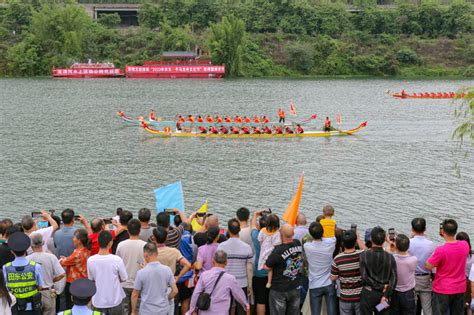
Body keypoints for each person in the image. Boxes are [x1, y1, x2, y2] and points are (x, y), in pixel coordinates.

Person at [425, 219, 469, 315]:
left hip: (442, 289)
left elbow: (428, 266)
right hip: (460, 287)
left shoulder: (441, 250)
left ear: (442, 232)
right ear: (455, 231)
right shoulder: (465, 245)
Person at [187, 250, 250, 315]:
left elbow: (196, 294)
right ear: (226, 262)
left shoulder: (204, 275)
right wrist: (246, 305)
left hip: (205, 312)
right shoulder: (230, 278)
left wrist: (192, 310)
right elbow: (239, 294)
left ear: (213, 261)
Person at [217, 219, 253, 315]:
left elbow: (218, 267)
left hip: (225, 283)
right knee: (242, 309)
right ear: (239, 230)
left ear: (228, 230)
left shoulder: (221, 247)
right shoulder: (247, 247)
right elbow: (249, 269)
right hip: (242, 283)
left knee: (226, 309)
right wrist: (250, 285)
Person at [265, 224, 303, 315]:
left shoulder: (278, 250)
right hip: (295, 285)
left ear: (280, 233)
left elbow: (267, 266)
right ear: (293, 233)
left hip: (279, 289)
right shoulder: (297, 243)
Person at [3, 232, 44, 315]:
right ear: (26, 250)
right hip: (33, 307)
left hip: (15, 308)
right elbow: (40, 286)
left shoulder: (6, 268)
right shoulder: (35, 266)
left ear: (12, 252)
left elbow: (6, 287)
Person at [152, 226, 191, 315]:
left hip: (154, 287)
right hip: (170, 287)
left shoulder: (151, 253)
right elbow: (188, 265)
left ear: (153, 238)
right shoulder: (174, 251)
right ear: (166, 238)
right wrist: (178, 277)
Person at [87, 230, 128, 314]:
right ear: (110, 243)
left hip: (98, 300)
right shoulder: (117, 260)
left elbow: (91, 279)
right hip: (115, 300)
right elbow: (124, 278)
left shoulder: (91, 260)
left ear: (98, 242)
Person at [131, 243, 178, 315]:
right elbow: (175, 291)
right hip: (163, 310)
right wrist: (166, 299)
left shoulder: (141, 273)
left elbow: (135, 295)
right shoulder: (167, 270)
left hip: (146, 310)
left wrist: (133, 311)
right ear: (157, 253)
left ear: (145, 255)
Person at [359, 226, 397, 314]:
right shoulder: (390, 257)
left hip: (368, 294)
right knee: (381, 311)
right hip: (383, 297)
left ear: (371, 239)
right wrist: (386, 295)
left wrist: (379, 286)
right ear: (384, 240)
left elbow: (364, 276)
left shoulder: (364, 255)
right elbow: (394, 279)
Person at [27, 234, 66, 315]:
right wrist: (52, 279)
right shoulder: (51, 257)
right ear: (43, 242)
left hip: (33, 292)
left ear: (31, 245)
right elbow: (62, 274)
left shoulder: (27, 259)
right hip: (48, 292)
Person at [304, 221, 337, 315]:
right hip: (329, 283)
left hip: (314, 284)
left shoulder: (307, 247)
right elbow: (331, 238)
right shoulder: (330, 246)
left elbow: (308, 240)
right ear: (323, 233)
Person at [331, 230, 366, 315]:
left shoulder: (337, 259)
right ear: (355, 243)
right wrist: (358, 239)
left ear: (343, 243)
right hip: (359, 296)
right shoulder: (362, 255)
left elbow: (333, 277)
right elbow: (366, 249)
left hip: (345, 297)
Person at [116, 219, 146, 315]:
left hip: (124, 283)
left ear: (128, 230)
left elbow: (117, 264)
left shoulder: (121, 245)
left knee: (124, 310)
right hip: (139, 284)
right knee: (137, 310)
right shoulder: (145, 245)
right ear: (140, 230)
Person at [407, 218, 435, 315]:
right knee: (427, 309)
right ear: (425, 229)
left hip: (412, 278)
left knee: (412, 308)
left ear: (412, 229)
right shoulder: (431, 245)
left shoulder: (408, 243)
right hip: (426, 278)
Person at [59, 229, 91, 309]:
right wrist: (66, 259)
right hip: (83, 281)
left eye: (74, 237)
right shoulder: (86, 251)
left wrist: (63, 260)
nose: (73, 239)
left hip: (73, 282)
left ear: (79, 241)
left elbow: (62, 263)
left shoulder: (77, 254)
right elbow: (72, 261)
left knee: (70, 305)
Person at [391, 234, 417, 315]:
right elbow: (407, 252)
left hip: (395, 293)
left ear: (396, 246)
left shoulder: (392, 259)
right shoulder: (413, 260)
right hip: (408, 293)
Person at [250, 210, 270, 315]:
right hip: (273, 272)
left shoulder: (256, 236)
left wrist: (255, 214)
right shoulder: (276, 236)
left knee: (261, 300)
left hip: (259, 273)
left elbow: (253, 226)